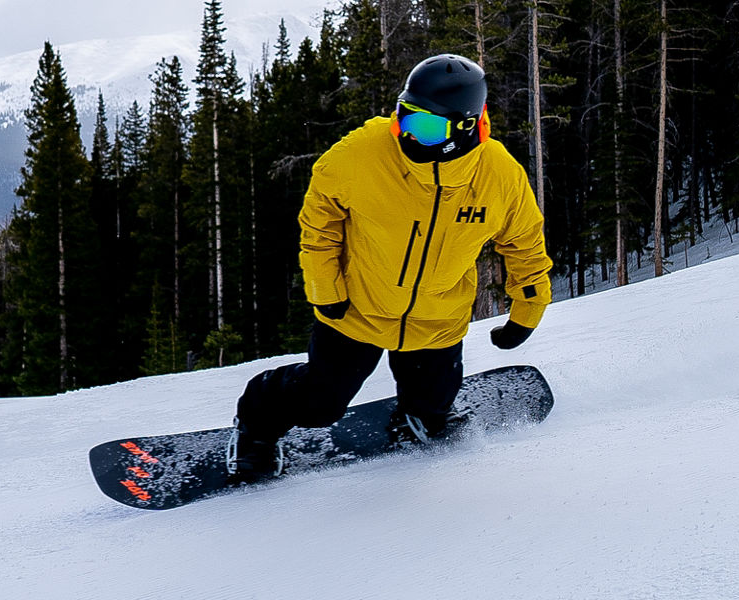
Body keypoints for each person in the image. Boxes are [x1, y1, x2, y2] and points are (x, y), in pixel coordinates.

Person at [227, 54, 554, 484]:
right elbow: (319, 224)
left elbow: (525, 244)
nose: (406, 133)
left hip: (437, 318)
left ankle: (419, 416)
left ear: (465, 126)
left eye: (426, 126)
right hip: (357, 308)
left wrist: (527, 309)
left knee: (433, 405)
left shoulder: (500, 177)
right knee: (320, 403)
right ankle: (256, 423)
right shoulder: (359, 155)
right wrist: (326, 288)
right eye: (404, 117)